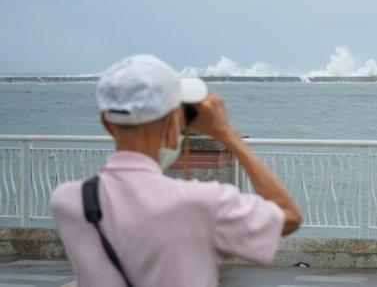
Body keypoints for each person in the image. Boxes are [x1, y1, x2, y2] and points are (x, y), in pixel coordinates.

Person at [50, 54, 302, 287]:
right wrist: (227, 134)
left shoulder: (68, 201)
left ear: (106, 123)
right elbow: (287, 216)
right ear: (174, 123)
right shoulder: (202, 202)